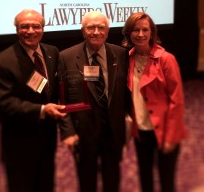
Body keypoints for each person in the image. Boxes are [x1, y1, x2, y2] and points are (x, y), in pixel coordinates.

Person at [0, 9, 66, 192]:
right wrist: (41, 110)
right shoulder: (2, 62)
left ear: (43, 29)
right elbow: (4, 103)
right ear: (17, 29)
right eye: (24, 26)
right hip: (19, 141)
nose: (30, 31)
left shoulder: (52, 52)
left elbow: (52, 89)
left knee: (46, 183)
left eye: (36, 26)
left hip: (47, 136)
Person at [58, 11, 130, 192]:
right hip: (83, 130)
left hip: (113, 128)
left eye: (101, 27)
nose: (96, 32)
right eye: (91, 27)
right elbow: (61, 98)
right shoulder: (66, 57)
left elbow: (127, 91)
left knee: (112, 176)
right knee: (86, 178)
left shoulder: (121, 54)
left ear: (107, 31)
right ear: (83, 31)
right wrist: (67, 131)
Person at [122, 12, 187, 192]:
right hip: (141, 129)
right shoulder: (128, 58)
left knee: (166, 181)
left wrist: (171, 136)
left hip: (164, 129)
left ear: (152, 32)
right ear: (129, 33)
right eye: (136, 30)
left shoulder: (166, 59)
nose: (140, 34)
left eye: (145, 30)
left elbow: (177, 100)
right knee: (145, 177)